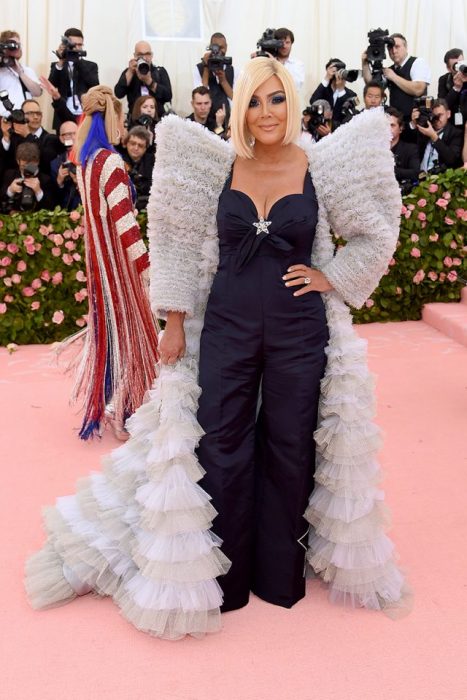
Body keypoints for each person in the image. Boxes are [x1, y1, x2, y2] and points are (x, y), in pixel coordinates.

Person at [25, 60, 409, 639]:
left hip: (299, 329)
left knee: (290, 443)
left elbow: (378, 230)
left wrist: (334, 277)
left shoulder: (320, 164)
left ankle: (279, 573)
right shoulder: (217, 165)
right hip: (225, 324)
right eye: (255, 103)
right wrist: (174, 321)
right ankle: (222, 580)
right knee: (221, 441)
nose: (267, 114)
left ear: (293, 102)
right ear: (241, 112)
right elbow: (177, 242)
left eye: (277, 100)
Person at [65, 85, 159, 439]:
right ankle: (129, 412)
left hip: (100, 270)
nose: (124, 123)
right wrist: (146, 268)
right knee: (134, 337)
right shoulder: (111, 162)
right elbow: (126, 224)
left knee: (112, 336)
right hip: (120, 271)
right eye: (119, 117)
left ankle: (116, 405)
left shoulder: (85, 165)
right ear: (109, 118)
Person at [363, 33, 431, 123]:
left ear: (405, 47)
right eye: (390, 48)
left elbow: (418, 89)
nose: (394, 51)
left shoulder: (417, 62)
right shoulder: (390, 70)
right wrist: (365, 63)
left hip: (415, 122)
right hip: (397, 122)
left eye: (397, 47)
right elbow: (372, 85)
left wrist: (393, 77)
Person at [48, 28, 99, 127]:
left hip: (84, 114)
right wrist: (61, 60)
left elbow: (95, 85)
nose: (76, 48)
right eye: (73, 45)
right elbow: (51, 85)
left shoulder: (91, 66)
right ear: (65, 45)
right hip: (63, 113)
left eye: (79, 45)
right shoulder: (58, 65)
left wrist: (78, 61)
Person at [114, 40, 172, 118]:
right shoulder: (130, 72)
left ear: (151, 55)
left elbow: (168, 96)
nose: (144, 58)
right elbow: (118, 93)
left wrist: (149, 81)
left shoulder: (160, 72)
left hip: (157, 119)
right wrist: (130, 72)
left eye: (147, 54)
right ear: (135, 56)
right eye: (140, 54)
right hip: (135, 121)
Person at [1, 141, 56, 212]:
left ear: (38, 162)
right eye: (24, 166)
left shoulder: (46, 179)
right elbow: (2, 199)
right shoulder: (9, 175)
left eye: (31, 166)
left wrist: (38, 192)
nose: (27, 169)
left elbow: (51, 208)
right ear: (18, 161)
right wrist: (10, 190)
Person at [411, 98, 463, 172]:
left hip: (440, 178)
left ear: (448, 114)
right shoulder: (424, 129)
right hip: (420, 177)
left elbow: (452, 160)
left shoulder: (456, 133)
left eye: (440, 115)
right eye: (434, 116)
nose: (437, 119)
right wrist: (414, 123)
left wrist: (434, 137)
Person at [0, 30, 42, 117]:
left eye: (19, 44)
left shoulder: (27, 70)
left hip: (24, 119)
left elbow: (37, 92)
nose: (17, 47)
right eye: (13, 44)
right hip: (4, 119)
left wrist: (20, 73)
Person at [194, 32, 234, 118]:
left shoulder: (233, 70)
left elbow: (235, 98)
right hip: (206, 119)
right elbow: (201, 94)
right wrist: (206, 67)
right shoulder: (199, 68)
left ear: (226, 47)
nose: (219, 51)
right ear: (210, 47)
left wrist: (223, 80)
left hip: (228, 118)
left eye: (222, 48)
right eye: (216, 47)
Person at [309, 58, 357, 128]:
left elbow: (345, 117)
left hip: (340, 132)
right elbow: (313, 102)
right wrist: (327, 78)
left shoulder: (351, 95)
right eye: (333, 68)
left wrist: (341, 89)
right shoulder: (323, 89)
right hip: (321, 129)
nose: (335, 71)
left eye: (338, 69)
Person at [50, 120, 81, 210]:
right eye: (67, 134)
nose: (72, 138)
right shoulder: (55, 164)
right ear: (61, 138)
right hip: (66, 211)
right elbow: (54, 198)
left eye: (74, 134)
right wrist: (59, 182)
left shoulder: (88, 158)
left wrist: (79, 182)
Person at [387, 107, 420, 183]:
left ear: (401, 128)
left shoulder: (411, 149)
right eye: (385, 125)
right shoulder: (375, 149)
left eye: (392, 125)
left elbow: (415, 173)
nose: (388, 128)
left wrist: (389, 170)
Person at [275, 27, 305, 92]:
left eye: (287, 42)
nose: (284, 46)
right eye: (281, 43)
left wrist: (278, 65)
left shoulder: (298, 64)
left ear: (291, 44)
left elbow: (295, 87)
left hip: (289, 101)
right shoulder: (269, 61)